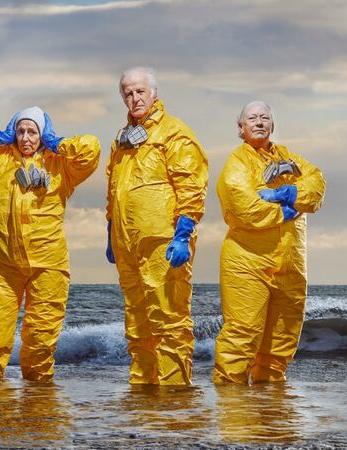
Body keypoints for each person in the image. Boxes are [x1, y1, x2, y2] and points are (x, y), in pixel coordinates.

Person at [0, 106, 100, 381]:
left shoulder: (60, 166)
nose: (25, 138)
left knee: (40, 342)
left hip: (48, 266)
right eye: (20, 131)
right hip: (2, 265)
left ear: (42, 134)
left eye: (32, 132)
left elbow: (90, 149)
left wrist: (57, 143)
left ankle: (39, 408)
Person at [105, 67, 209, 385]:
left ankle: (174, 396)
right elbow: (113, 191)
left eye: (139, 92)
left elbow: (191, 184)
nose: (134, 98)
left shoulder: (174, 133)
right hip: (128, 244)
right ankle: (144, 390)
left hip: (163, 241)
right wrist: (111, 232)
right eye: (128, 93)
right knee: (137, 322)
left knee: (168, 318)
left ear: (153, 93)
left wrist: (183, 232)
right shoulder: (122, 141)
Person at [213, 101, 326, 384]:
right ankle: (233, 413)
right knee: (242, 335)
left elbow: (316, 183)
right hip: (247, 262)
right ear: (241, 128)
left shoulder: (288, 158)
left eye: (265, 117)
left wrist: (288, 193)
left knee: (282, 340)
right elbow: (244, 207)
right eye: (252, 118)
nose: (259, 122)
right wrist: (288, 210)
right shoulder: (237, 162)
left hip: (290, 262)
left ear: (273, 125)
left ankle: (271, 414)